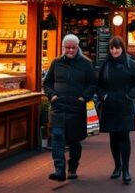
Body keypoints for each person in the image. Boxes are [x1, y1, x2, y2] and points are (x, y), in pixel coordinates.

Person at [42, 34, 97, 181]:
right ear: (63, 48)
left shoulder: (86, 63)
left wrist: (83, 98)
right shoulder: (56, 62)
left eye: (73, 47)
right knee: (57, 138)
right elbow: (47, 83)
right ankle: (60, 169)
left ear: (78, 47)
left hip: (76, 108)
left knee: (74, 140)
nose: (70, 50)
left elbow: (92, 84)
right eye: (68, 48)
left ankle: (73, 167)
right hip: (58, 107)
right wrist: (52, 96)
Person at [96, 36, 135, 184]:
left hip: (125, 105)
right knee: (113, 138)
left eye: (117, 47)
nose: (114, 50)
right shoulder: (105, 64)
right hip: (109, 105)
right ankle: (117, 166)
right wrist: (104, 96)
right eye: (112, 48)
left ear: (122, 48)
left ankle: (126, 170)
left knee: (124, 137)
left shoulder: (130, 64)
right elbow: (98, 84)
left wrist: (130, 95)